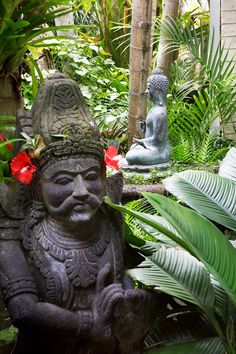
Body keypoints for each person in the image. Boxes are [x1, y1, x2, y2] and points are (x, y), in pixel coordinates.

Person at [0, 74, 150, 354]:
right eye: (63, 181)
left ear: (104, 179)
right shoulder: (17, 226)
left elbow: (121, 280)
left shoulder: (108, 218)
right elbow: (23, 310)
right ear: (36, 186)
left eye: (91, 176)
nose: (81, 191)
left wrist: (128, 309)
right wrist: (88, 324)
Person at [126, 68, 170, 166]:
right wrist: (145, 129)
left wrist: (141, 141)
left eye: (149, 88)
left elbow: (157, 139)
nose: (146, 91)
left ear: (158, 90)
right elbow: (151, 135)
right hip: (151, 148)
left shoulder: (159, 113)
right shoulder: (154, 109)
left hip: (160, 151)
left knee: (131, 156)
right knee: (133, 148)